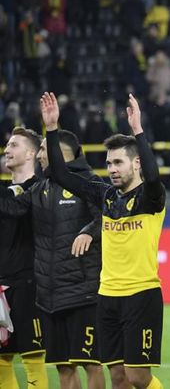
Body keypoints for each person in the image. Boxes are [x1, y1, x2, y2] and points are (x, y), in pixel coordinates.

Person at [43, 91, 167, 389]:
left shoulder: (151, 198)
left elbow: (152, 177)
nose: (112, 169)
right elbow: (60, 173)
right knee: (118, 377)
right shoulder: (105, 195)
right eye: (109, 163)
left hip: (142, 294)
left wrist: (138, 129)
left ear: (136, 163)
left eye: (119, 163)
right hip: (107, 295)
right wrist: (51, 129)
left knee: (138, 376)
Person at [0, 129, 105, 389]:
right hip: (51, 294)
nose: (41, 155)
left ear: (61, 153)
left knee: (91, 363)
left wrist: (88, 232)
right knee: (64, 367)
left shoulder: (87, 182)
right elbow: (12, 208)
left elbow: (107, 215)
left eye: (45, 149)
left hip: (82, 291)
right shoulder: (40, 189)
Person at [0, 127, 47, 389]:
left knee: (33, 357)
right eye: (7, 145)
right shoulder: (4, 190)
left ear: (31, 153)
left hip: (30, 284)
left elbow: (16, 210)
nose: (7, 149)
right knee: (2, 361)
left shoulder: (41, 190)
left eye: (14, 144)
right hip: (1, 286)